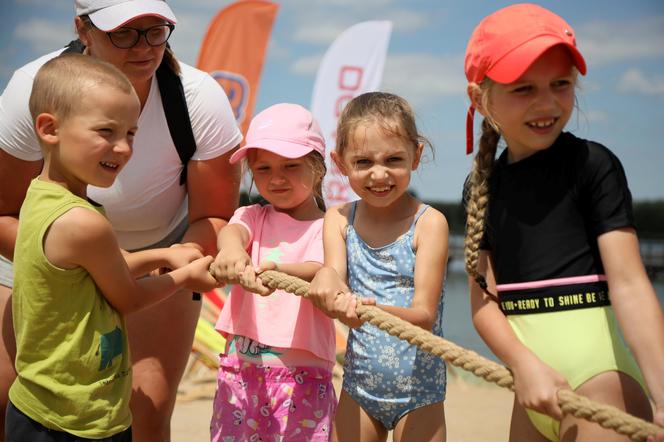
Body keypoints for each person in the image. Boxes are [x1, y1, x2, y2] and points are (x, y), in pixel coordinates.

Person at [0, 1, 242, 440]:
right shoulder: (30, 90)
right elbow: (3, 213)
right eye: (124, 33)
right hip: (39, 244)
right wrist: (169, 271)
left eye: (156, 31)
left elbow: (213, 214)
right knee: (4, 390)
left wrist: (175, 254)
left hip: (159, 242)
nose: (144, 47)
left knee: (146, 408)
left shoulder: (199, 97)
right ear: (84, 29)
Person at [462, 4, 664, 442]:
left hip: (601, 389)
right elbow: (483, 304)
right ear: (479, 98)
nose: (547, 103)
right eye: (524, 89)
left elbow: (629, 285)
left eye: (561, 84)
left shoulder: (592, 165)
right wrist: (522, 363)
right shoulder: (482, 186)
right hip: (532, 391)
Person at [309, 91, 449, 442]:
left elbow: (424, 314)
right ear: (340, 163)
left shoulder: (430, 223)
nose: (379, 174)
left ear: (416, 157)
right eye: (363, 162)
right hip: (359, 386)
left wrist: (365, 310)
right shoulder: (338, 219)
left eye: (393, 159)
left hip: (420, 391)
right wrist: (330, 288)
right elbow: (336, 276)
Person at [207, 103, 337, 441]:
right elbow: (231, 233)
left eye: (291, 166)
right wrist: (233, 250)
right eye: (263, 169)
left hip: (302, 376)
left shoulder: (329, 227)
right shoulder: (253, 216)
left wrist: (279, 269)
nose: (276, 178)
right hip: (241, 369)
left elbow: (321, 269)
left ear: (318, 168)